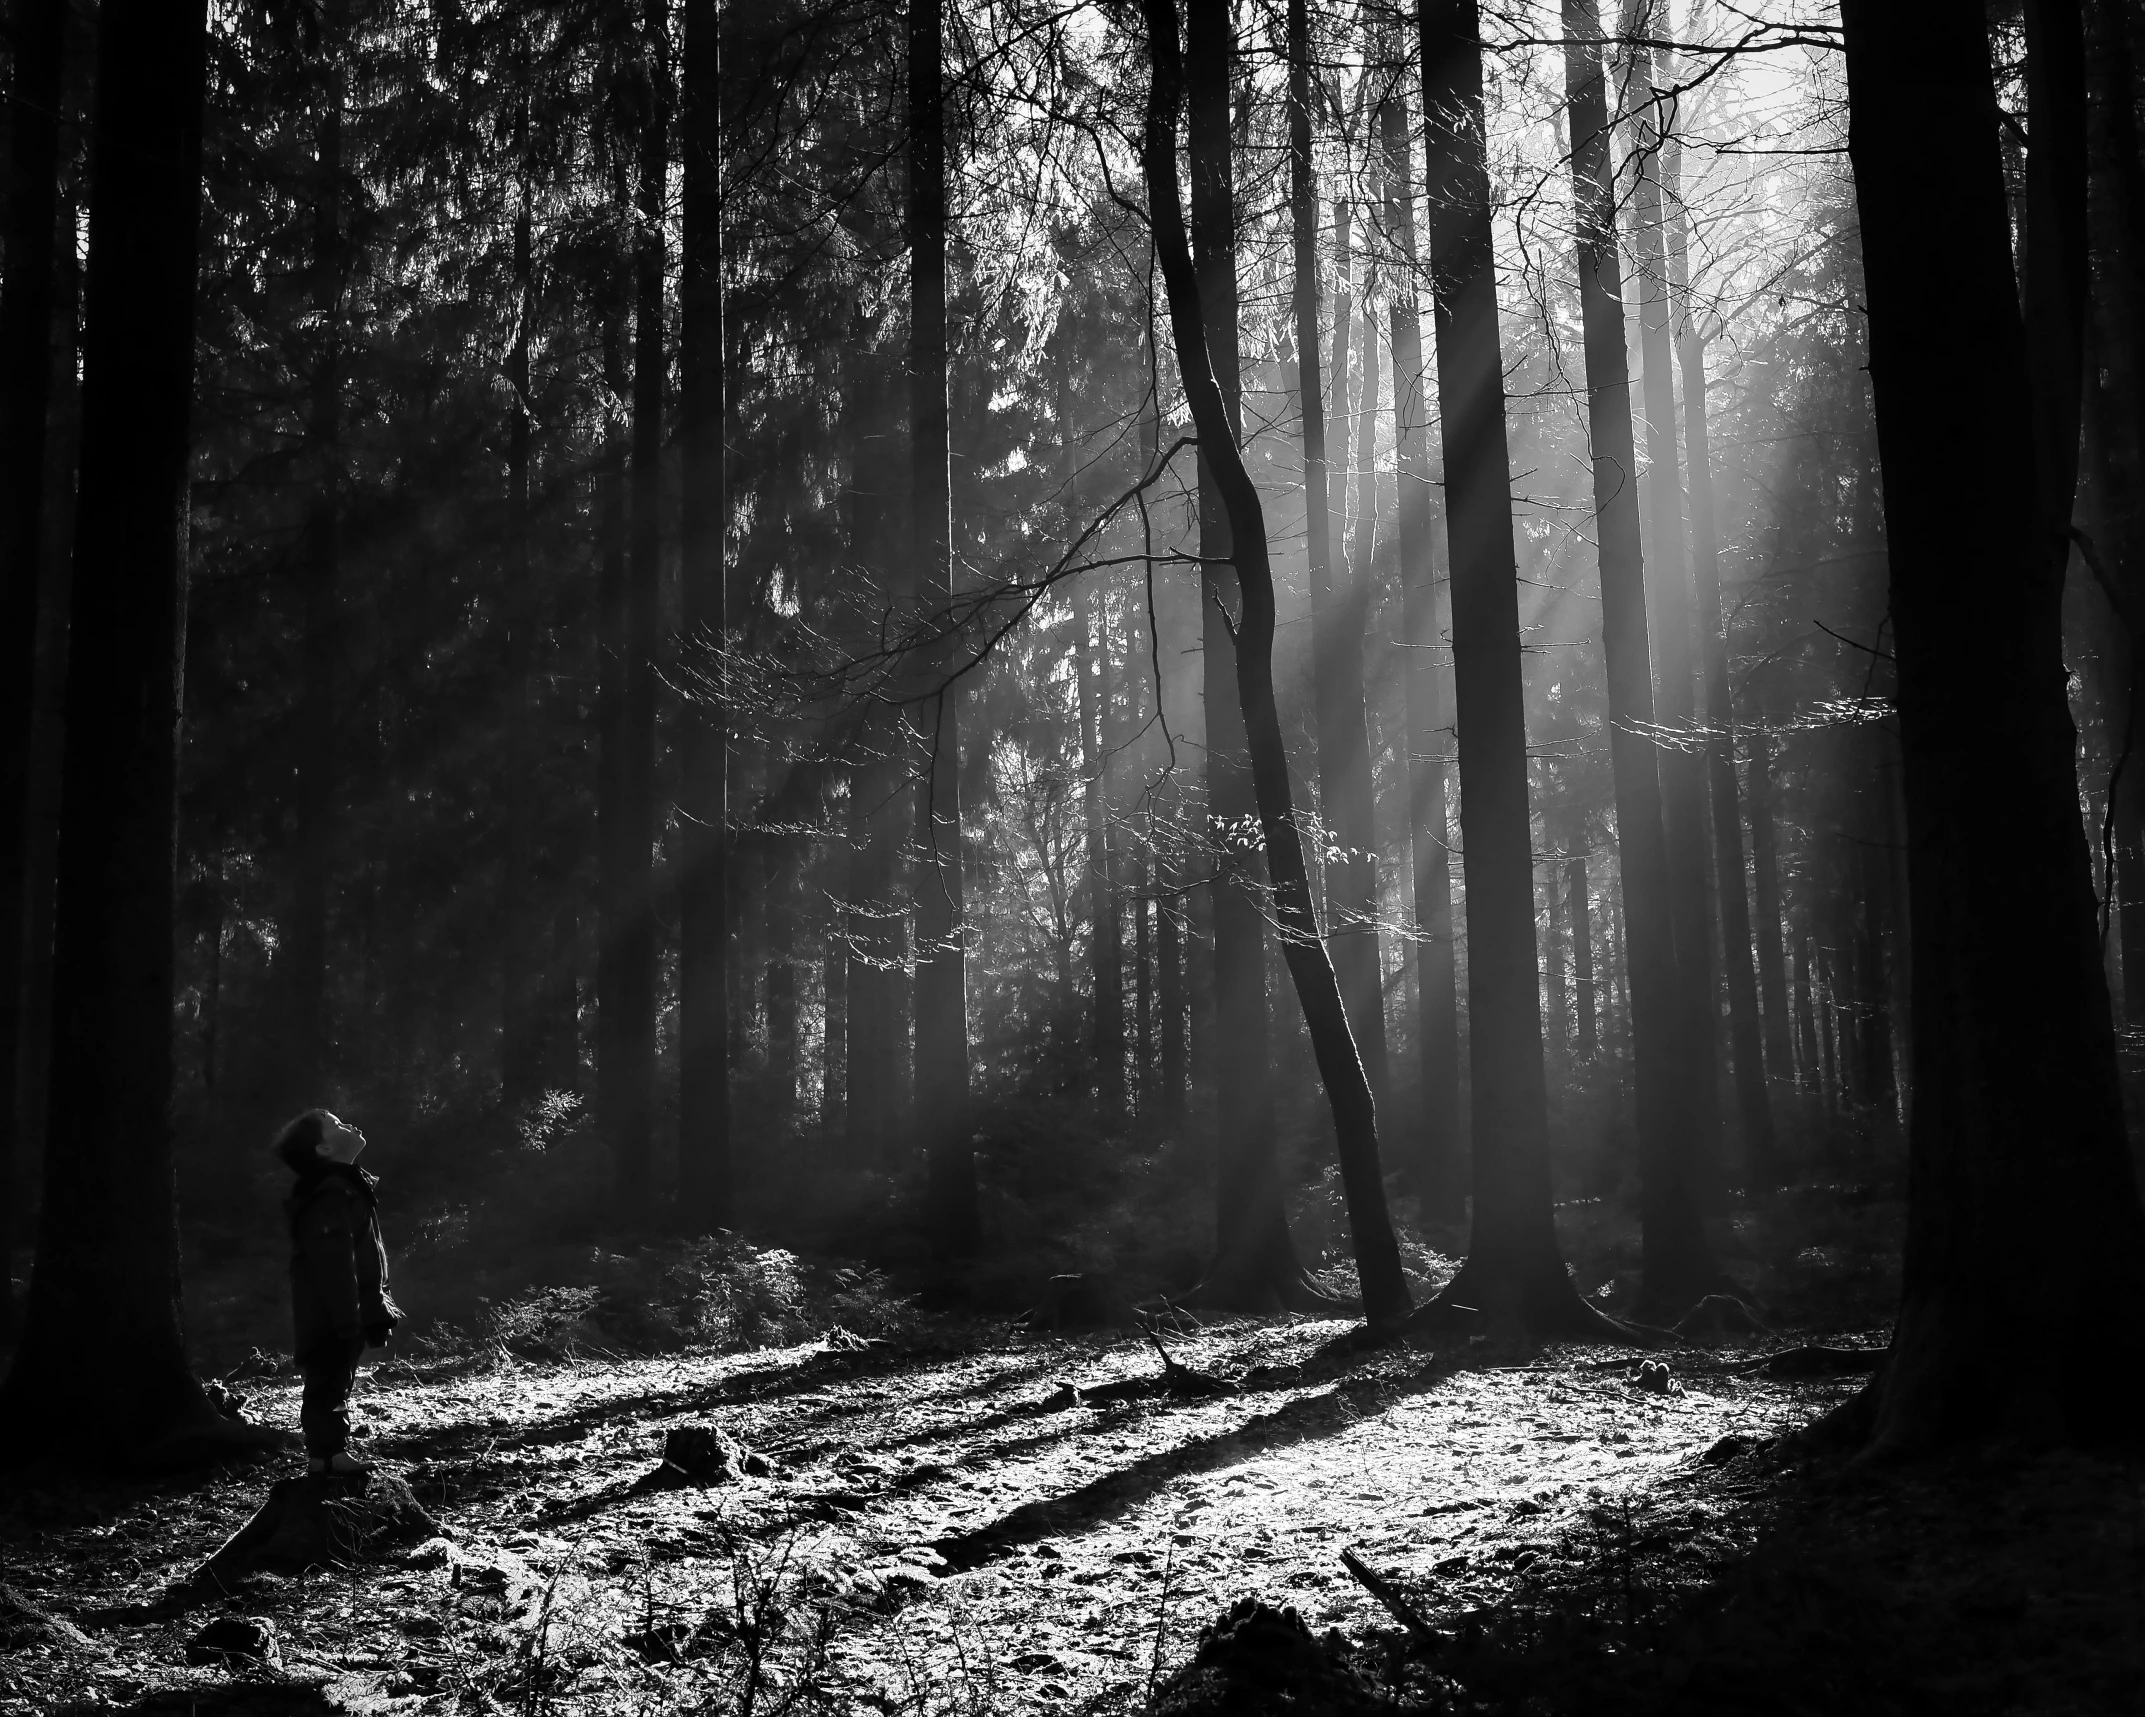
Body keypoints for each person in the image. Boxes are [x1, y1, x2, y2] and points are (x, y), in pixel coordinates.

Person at [275, 1109, 400, 1477]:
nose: (352, 1125)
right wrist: (349, 1319)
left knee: (336, 1379)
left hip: (345, 1309)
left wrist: (375, 1308)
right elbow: (333, 1265)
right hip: (330, 1312)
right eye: (338, 1125)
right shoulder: (329, 1196)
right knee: (327, 1380)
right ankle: (327, 1455)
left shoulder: (344, 1187)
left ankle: (328, 1454)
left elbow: (365, 1255)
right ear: (325, 1148)